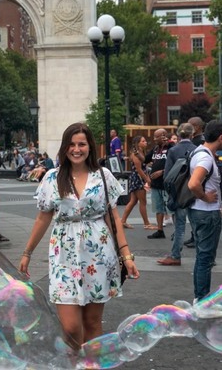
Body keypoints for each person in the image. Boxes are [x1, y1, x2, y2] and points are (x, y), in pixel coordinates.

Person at [19, 122, 139, 352]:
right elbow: (43, 218)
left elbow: (113, 219)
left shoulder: (103, 176)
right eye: (72, 144)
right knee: (71, 327)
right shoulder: (53, 177)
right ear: (65, 148)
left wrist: (126, 256)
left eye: (81, 144)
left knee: (92, 322)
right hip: (64, 254)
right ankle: (75, 362)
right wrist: (27, 252)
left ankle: (91, 366)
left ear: (90, 147)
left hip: (98, 253)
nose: (77, 149)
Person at [188, 119, 222, 303]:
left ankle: (199, 297)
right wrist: (205, 197)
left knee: (202, 257)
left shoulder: (199, 152)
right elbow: (193, 183)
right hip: (206, 212)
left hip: (199, 211)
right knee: (205, 258)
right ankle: (201, 299)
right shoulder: (206, 157)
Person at [157, 123, 196, 266]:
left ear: (178, 135)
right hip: (194, 192)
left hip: (179, 193)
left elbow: (167, 176)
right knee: (196, 225)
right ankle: (205, 255)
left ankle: (175, 255)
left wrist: (171, 194)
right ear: (192, 134)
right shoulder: (197, 150)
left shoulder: (173, 151)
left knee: (180, 226)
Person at [121, 136, 156, 230]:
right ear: (138, 143)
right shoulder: (135, 154)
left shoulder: (139, 153)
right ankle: (146, 223)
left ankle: (123, 221)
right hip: (138, 179)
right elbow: (139, 169)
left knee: (133, 201)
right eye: (143, 141)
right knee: (143, 201)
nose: (145, 143)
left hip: (137, 178)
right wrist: (147, 179)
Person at [144, 128, 173, 239]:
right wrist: (138, 151)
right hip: (156, 184)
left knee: (172, 208)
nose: (154, 139)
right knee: (158, 208)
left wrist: (162, 172)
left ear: (164, 135)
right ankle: (160, 230)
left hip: (167, 183)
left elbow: (177, 163)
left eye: (156, 136)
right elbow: (145, 160)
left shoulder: (171, 148)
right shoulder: (156, 149)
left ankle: (178, 231)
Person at [184, 116, 206, 248]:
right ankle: (194, 235)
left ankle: (197, 237)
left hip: (198, 180)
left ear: (197, 127)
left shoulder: (199, 141)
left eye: (190, 125)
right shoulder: (195, 140)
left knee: (197, 211)